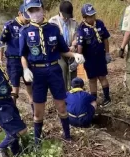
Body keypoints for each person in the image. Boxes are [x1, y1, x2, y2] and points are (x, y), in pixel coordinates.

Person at [20, 0, 85, 144]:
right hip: (37, 73)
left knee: (61, 106)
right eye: (31, 11)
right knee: (38, 110)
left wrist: (74, 55)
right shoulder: (25, 32)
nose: (35, 13)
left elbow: (63, 50)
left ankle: (67, 136)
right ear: (27, 12)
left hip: (54, 70)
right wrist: (25, 69)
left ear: (42, 9)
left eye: (37, 9)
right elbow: (23, 55)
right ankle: (37, 140)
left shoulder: (53, 29)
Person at [77, 3, 111, 107]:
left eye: (93, 15)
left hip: (100, 56)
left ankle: (107, 98)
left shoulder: (99, 23)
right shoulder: (82, 28)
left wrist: (107, 53)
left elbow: (105, 38)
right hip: (89, 58)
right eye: (90, 16)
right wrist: (79, 56)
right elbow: (80, 44)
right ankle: (94, 99)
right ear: (84, 18)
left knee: (102, 77)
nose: (92, 18)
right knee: (92, 79)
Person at [0, 4, 33, 106]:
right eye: (26, 16)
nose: (28, 19)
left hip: (27, 60)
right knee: (15, 87)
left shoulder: (30, 26)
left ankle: (33, 106)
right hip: (14, 60)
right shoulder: (10, 25)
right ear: (19, 14)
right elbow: (2, 42)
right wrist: (0, 58)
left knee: (29, 84)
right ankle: (14, 109)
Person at [49, 1, 78, 90]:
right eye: (64, 15)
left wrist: (74, 45)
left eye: (68, 16)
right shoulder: (52, 22)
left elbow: (77, 36)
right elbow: (51, 40)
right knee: (63, 68)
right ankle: (64, 93)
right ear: (60, 12)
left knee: (73, 70)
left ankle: (74, 92)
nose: (66, 18)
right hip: (59, 52)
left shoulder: (74, 22)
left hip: (71, 50)